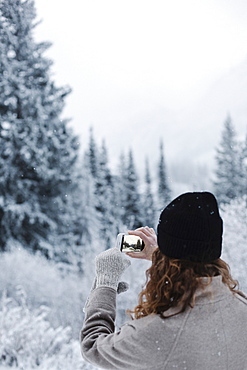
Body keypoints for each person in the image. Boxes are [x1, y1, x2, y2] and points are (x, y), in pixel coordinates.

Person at [80, 192, 247, 370]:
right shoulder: (241, 306)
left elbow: (92, 346)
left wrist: (106, 284)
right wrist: (163, 255)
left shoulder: (159, 332)